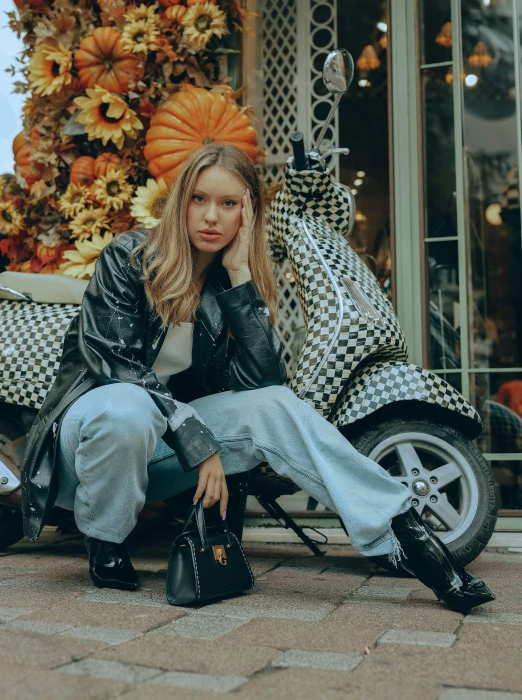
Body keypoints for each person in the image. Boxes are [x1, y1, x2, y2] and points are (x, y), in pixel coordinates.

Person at [21, 144, 494, 613]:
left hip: (158, 454)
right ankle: (104, 541)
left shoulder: (228, 287)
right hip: (87, 447)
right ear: (182, 200)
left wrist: (242, 277)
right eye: (200, 199)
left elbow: (264, 383)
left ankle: (407, 534)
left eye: (228, 204)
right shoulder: (129, 257)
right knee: (128, 404)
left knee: (276, 406)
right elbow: (114, 363)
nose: (211, 216)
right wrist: (196, 437)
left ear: (247, 215)